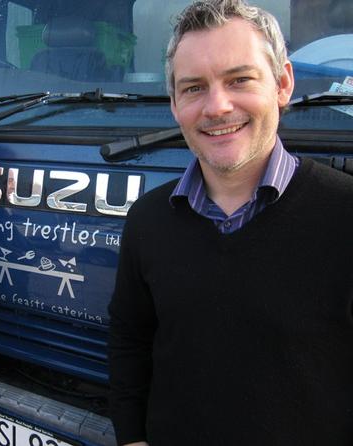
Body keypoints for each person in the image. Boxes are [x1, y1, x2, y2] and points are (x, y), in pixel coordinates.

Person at [107, 0, 353, 445]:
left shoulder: (346, 215)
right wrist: (131, 438)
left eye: (239, 79)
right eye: (194, 88)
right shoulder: (147, 221)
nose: (216, 107)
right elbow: (130, 339)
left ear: (282, 84)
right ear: (175, 103)